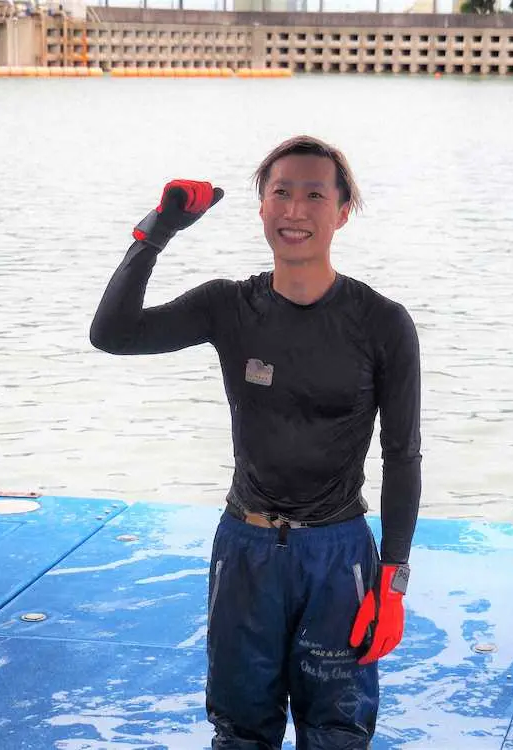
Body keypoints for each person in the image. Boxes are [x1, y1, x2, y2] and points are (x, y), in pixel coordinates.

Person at [89, 135, 422, 749]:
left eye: (315, 195)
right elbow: (112, 334)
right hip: (246, 549)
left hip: (337, 556)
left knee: (338, 733)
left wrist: (393, 580)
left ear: (343, 211)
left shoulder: (382, 322)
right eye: (281, 193)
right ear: (262, 206)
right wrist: (156, 232)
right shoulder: (229, 306)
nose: (295, 210)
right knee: (240, 732)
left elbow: (402, 456)